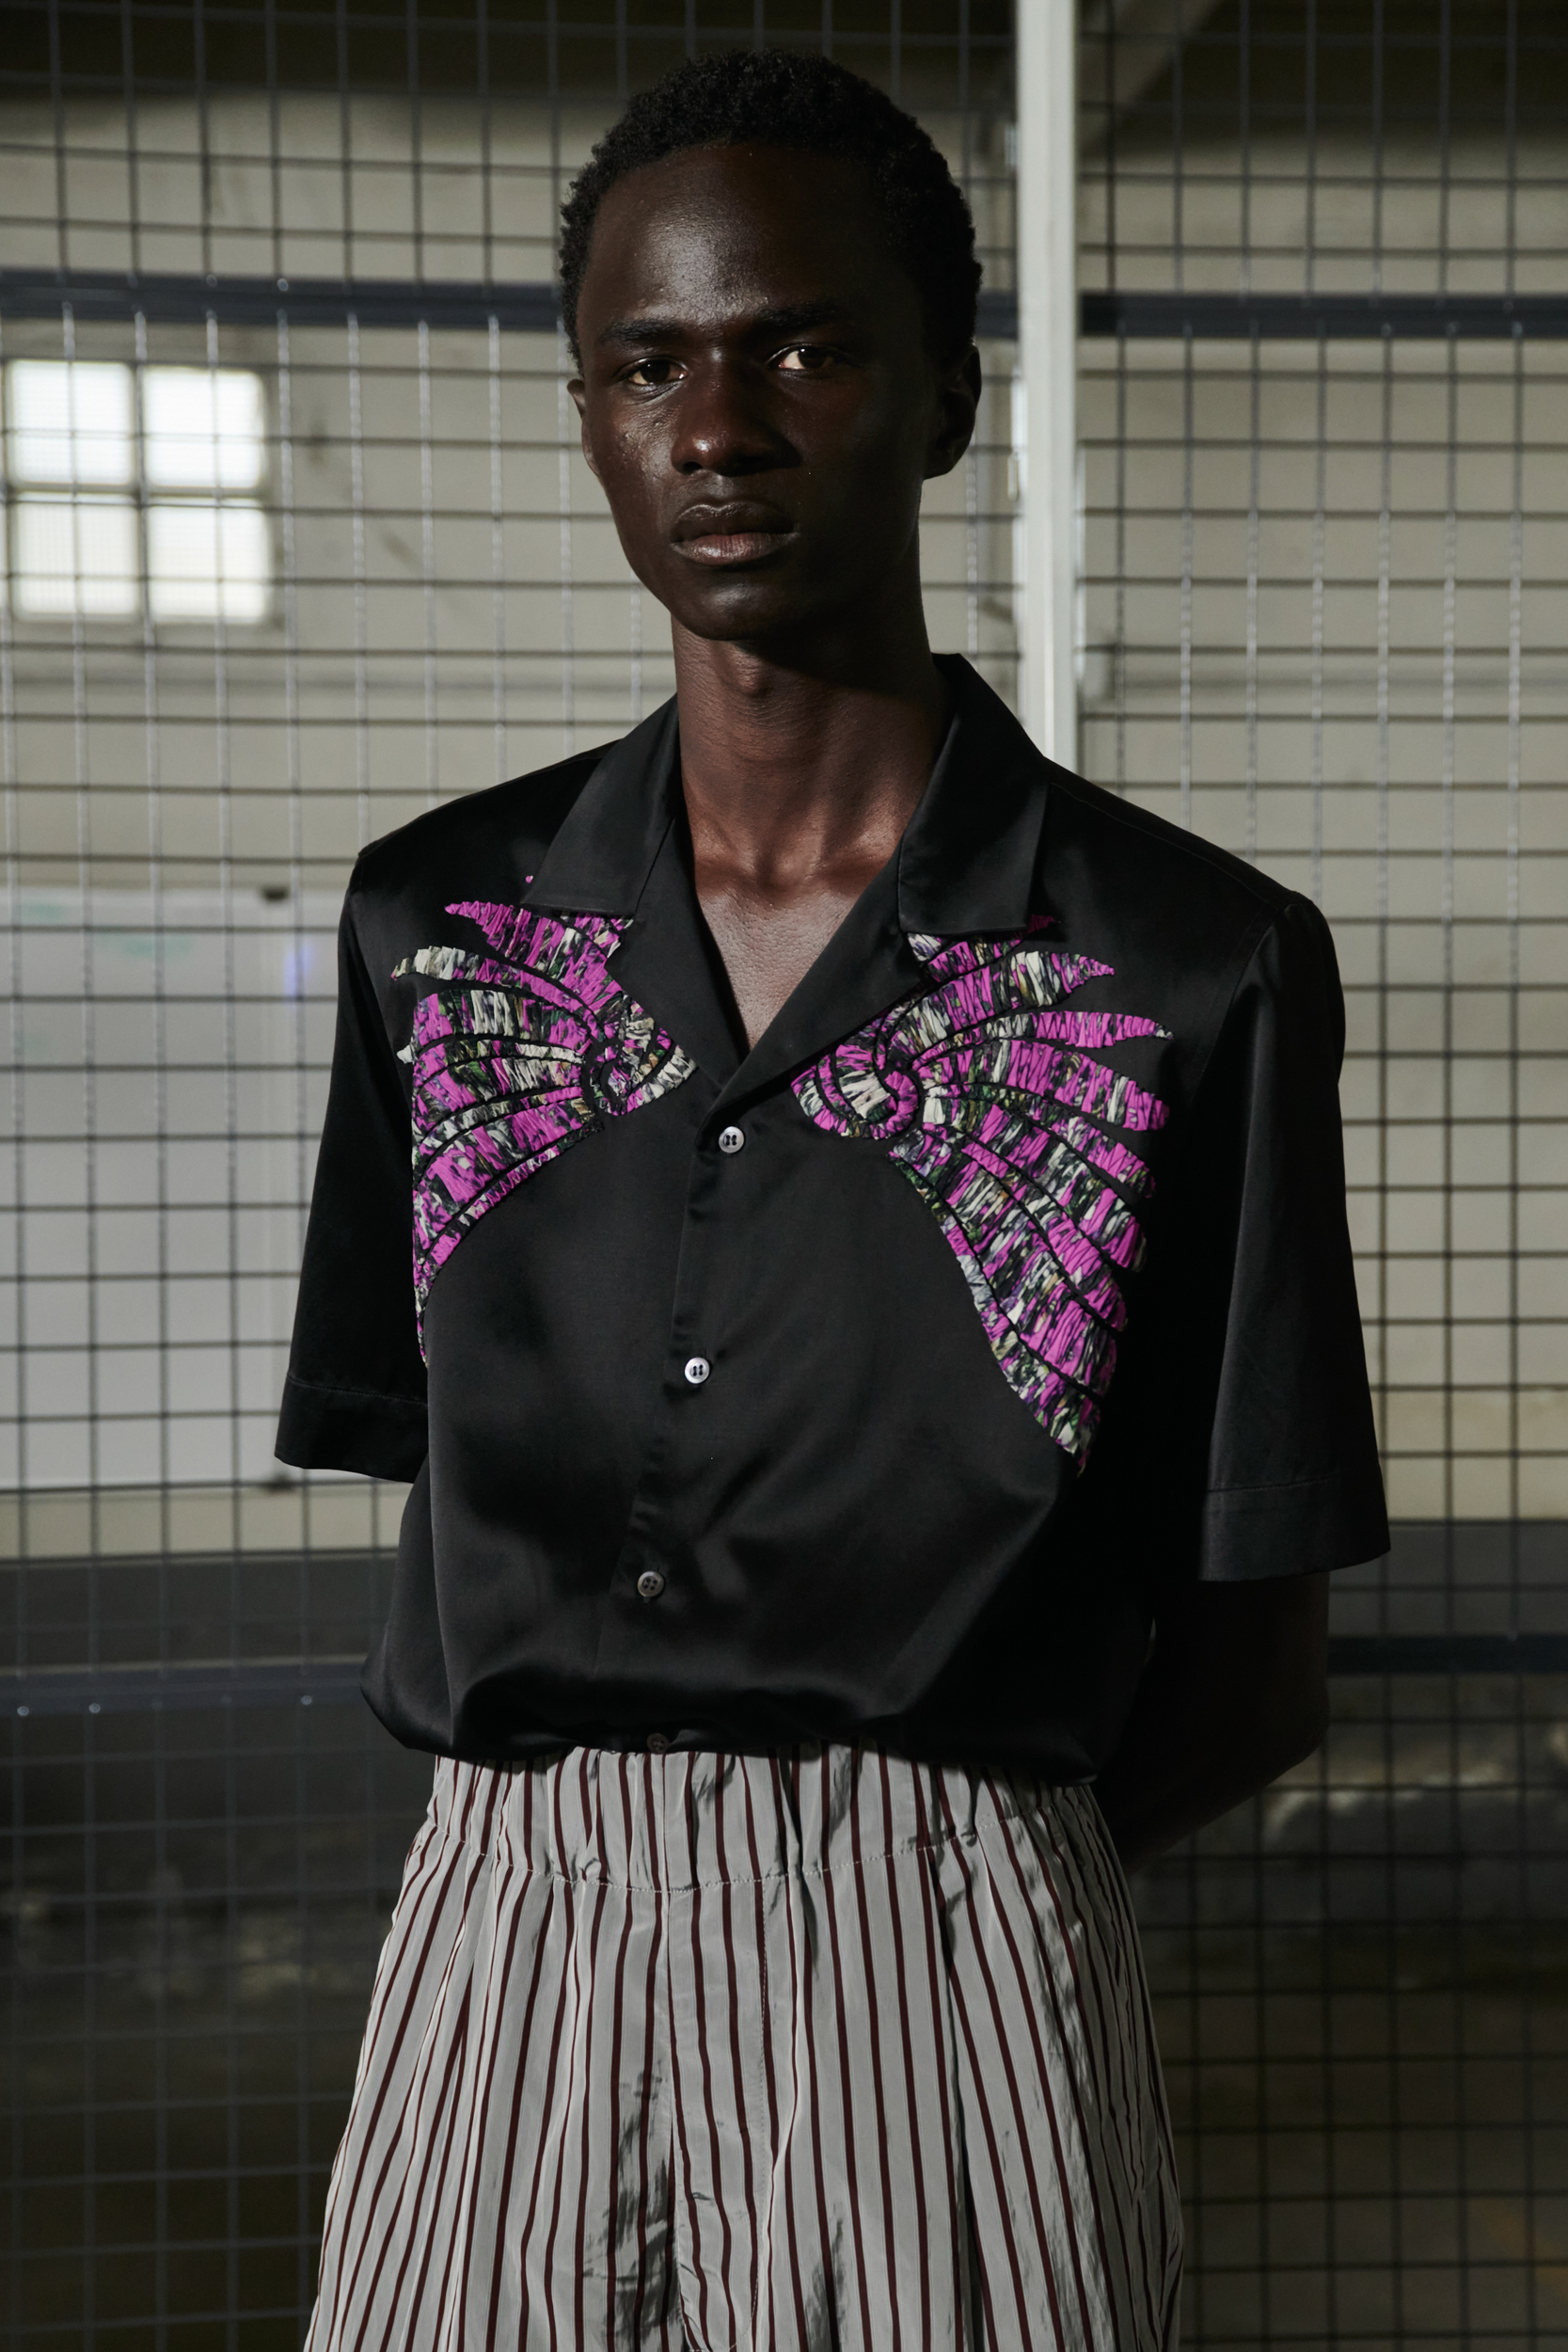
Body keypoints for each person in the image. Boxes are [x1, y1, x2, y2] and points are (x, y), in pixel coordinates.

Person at [278, 47, 1387, 2352]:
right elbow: (441, 1507)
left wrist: (941, 1867)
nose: (721, 426)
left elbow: (1256, 1660)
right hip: (512, 1946)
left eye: (800, 343)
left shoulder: (1182, 966)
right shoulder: (444, 935)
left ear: (945, 400)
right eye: (651, 362)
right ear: (590, 416)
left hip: (956, 1940)